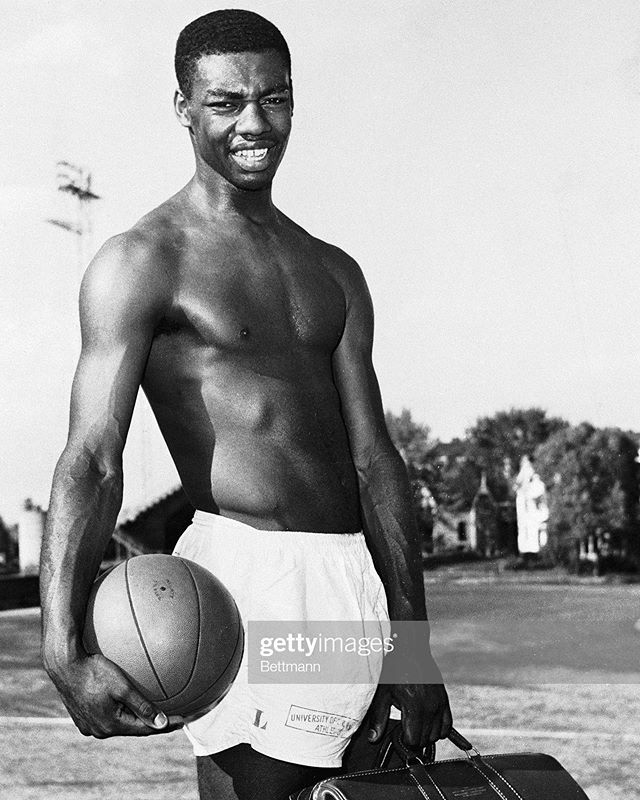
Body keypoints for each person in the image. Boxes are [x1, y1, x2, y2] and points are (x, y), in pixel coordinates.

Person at [40, 9, 452, 800]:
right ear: (183, 108)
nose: (255, 122)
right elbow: (92, 456)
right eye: (226, 102)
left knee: (379, 794)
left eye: (275, 97)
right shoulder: (141, 262)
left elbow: (376, 464)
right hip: (256, 592)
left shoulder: (335, 271)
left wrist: (411, 649)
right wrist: (61, 641)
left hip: (352, 588)